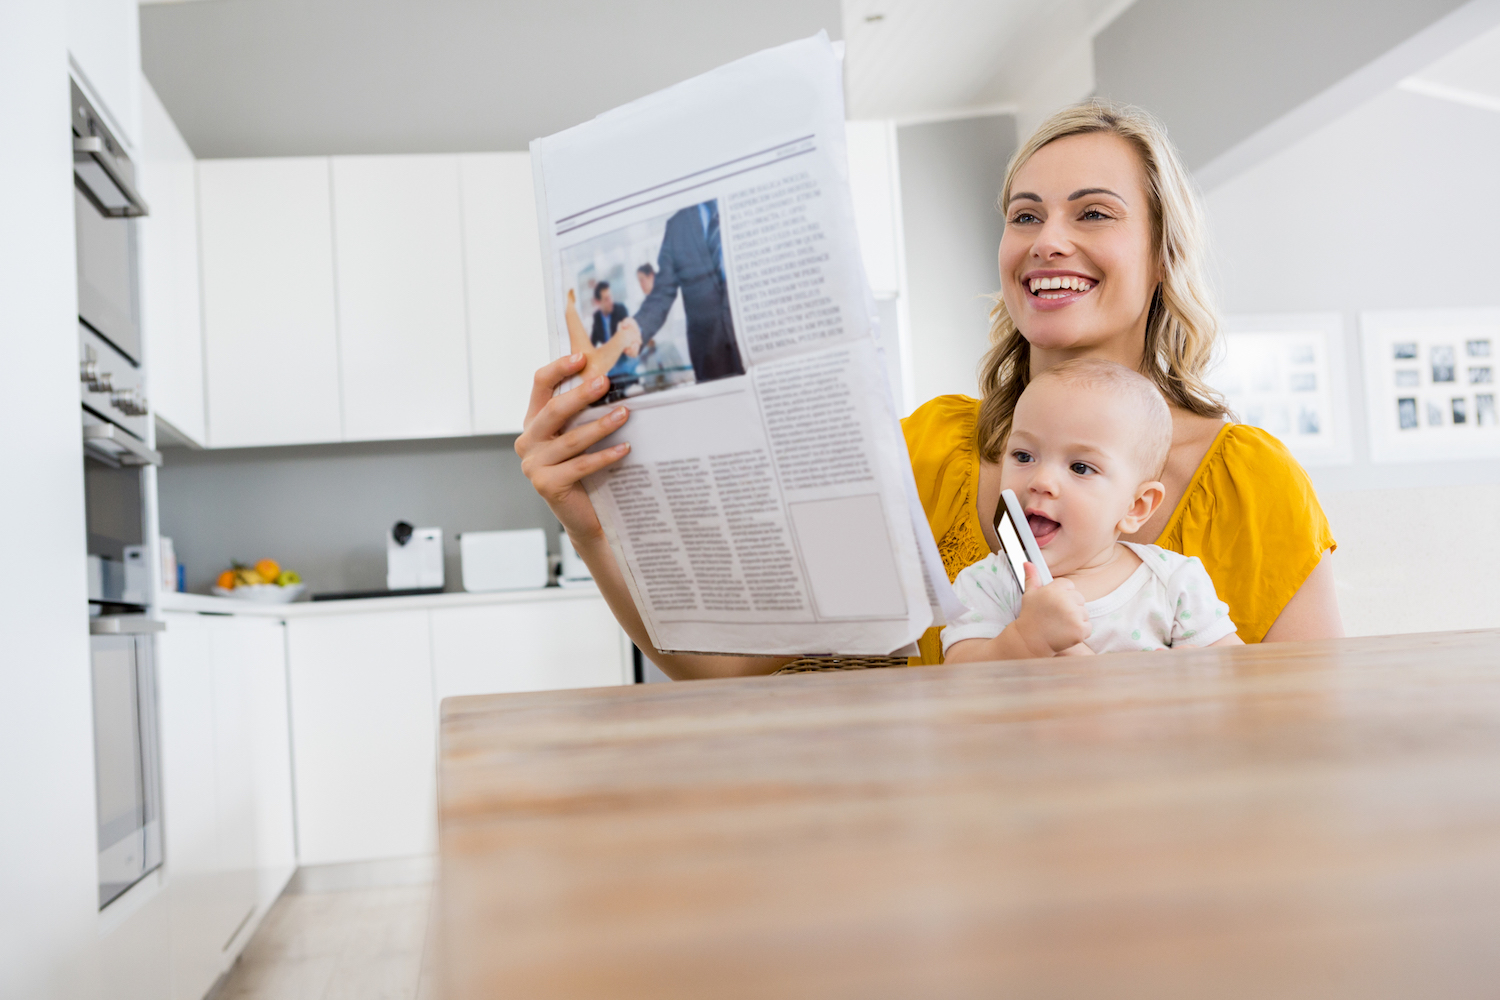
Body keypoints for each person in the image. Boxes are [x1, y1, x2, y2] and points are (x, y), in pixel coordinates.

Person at [515, 100, 1341, 680]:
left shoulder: (1252, 483)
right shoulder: (924, 451)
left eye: (1092, 214)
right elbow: (720, 667)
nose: (1048, 240)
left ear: (1163, 255)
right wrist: (590, 528)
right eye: (1024, 216)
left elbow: (1312, 734)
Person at [942, 358, 1242, 662]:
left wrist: (1200, 670)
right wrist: (1027, 639)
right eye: (1023, 455)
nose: (1041, 481)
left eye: (1080, 467)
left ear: (1136, 507)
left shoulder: (1172, 582)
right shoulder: (989, 584)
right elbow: (959, 678)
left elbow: (1236, 673)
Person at [616, 200, 745, 383]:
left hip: (760, 344)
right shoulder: (677, 227)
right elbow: (662, 291)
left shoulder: (744, 203)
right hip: (712, 359)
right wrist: (639, 327)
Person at [589, 282, 630, 347]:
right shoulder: (597, 317)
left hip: (623, 352)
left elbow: (628, 336)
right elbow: (592, 343)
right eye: (606, 299)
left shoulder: (621, 310)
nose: (611, 301)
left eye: (610, 297)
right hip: (608, 355)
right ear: (598, 302)